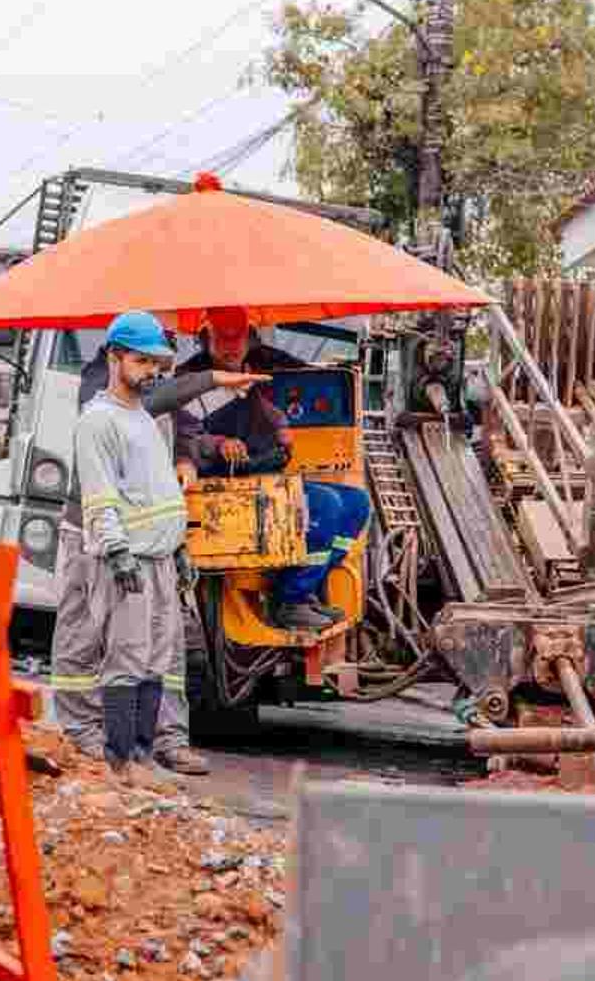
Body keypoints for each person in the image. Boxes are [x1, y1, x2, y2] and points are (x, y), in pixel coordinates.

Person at [51, 327, 268, 776]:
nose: (153, 369)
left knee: (160, 651)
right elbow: (154, 407)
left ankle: (157, 744)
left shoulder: (150, 396)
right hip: (103, 539)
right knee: (92, 640)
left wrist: (188, 457)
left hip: (156, 545)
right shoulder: (104, 393)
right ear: (117, 355)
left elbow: (180, 426)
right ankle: (90, 736)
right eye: (145, 360)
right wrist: (212, 378)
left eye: (159, 360)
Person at [175, 306, 372, 632]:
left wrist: (280, 425)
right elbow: (182, 435)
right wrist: (219, 442)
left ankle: (305, 586)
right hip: (216, 486)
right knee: (323, 505)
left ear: (248, 339)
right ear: (206, 338)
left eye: (237, 339)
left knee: (355, 503)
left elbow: (262, 407)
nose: (230, 347)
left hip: (253, 476)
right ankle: (289, 600)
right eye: (222, 339)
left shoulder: (251, 370)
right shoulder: (189, 380)